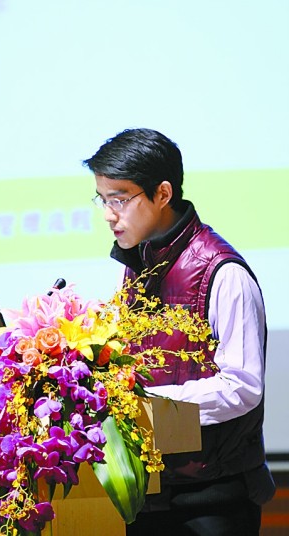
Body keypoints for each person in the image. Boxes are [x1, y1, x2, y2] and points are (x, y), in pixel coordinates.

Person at [83, 128, 275, 536]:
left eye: (119, 199)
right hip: (152, 490)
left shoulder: (223, 272)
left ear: (163, 194)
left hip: (212, 498)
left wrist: (146, 406)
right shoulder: (139, 263)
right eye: (102, 200)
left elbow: (242, 387)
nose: (108, 215)